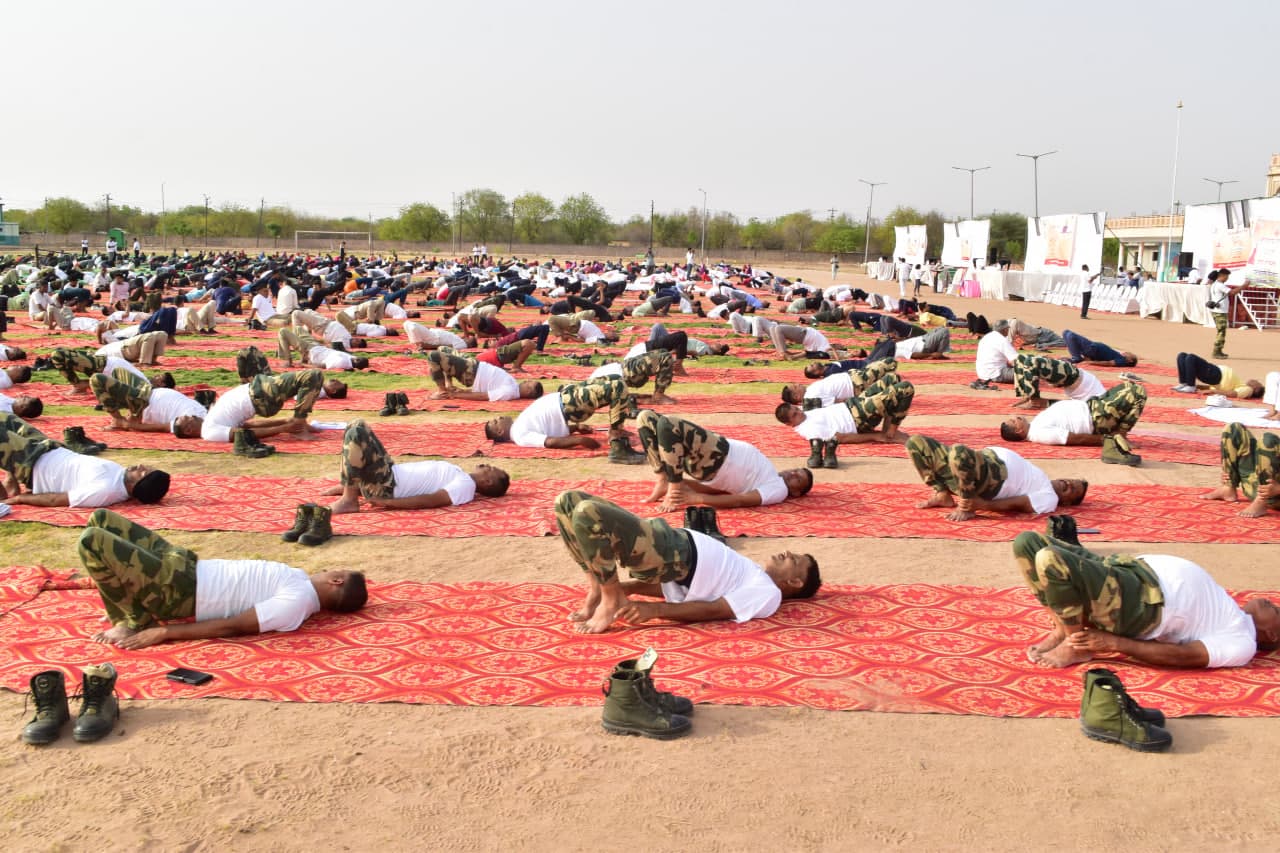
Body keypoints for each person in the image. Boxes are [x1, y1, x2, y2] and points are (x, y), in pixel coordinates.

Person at [76, 509, 366, 650]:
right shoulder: (299, 581)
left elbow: (234, 626)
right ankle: (127, 609)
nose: (328, 569)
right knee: (101, 520)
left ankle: (133, 621)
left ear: (336, 581)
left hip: (179, 590)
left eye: (333, 571)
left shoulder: (297, 604)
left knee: (93, 541)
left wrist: (165, 633)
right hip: (184, 566)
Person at [554, 489, 821, 634]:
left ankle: (609, 599)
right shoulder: (750, 572)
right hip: (671, 546)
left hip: (677, 552)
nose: (787, 553)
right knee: (567, 502)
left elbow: (716, 610)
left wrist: (655, 611)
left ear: (794, 581)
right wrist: (630, 587)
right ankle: (598, 589)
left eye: (794, 559)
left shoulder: (769, 594)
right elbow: (683, 588)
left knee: (586, 513)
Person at [1012, 529, 1278, 668]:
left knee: (1051, 560)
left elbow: (1184, 656)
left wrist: (1115, 643)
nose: (1270, 602)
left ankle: (1076, 644)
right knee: (1027, 542)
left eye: (1276, 611)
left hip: (1143, 604)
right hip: (1128, 572)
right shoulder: (1230, 608)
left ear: (1272, 635)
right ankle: (1063, 627)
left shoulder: (1241, 642)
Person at [636, 410, 814, 512]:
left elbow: (740, 500)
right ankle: (663, 481)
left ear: (797, 493)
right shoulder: (767, 476)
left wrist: (696, 498)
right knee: (646, 418)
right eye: (796, 470)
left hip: (718, 456)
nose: (792, 473)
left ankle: (671, 489)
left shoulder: (778, 490)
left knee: (667, 424)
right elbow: (720, 488)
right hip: (712, 455)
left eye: (797, 479)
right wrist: (684, 484)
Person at [324, 419, 509, 513]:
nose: (486, 464)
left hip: (387, 486)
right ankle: (353, 486)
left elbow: (430, 500)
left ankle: (349, 499)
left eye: (491, 469)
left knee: (356, 434)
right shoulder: (461, 475)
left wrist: (387, 503)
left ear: (488, 482)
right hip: (389, 474)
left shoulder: (466, 486)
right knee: (357, 426)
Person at [0, 413, 170, 507]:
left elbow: (56, 499)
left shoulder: (105, 491)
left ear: (138, 486)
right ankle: (10, 477)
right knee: (5, 417)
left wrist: (19, 499)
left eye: (143, 472)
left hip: (32, 463)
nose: (140, 465)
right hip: (48, 448)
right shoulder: (120, 477)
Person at [906, 434, 1087, 522]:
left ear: (1068, 503)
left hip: (991, 479)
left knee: (959, 453)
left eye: (1073, 489)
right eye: (1072, 481)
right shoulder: (1042, 477)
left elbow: (1020, 503)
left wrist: (980, 504)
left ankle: (965, 505)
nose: (1069, 484)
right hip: (976, 466)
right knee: (916, 442)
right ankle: (942, 493)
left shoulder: (1049, 498)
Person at [484, 376, 643, 463]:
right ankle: (617, 444)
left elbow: (551, 427)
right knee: (618, 388)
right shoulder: (519, 436)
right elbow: (550, 442)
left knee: (616, 379)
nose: (499, 417)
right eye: (496, 421)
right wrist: (580, 440)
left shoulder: (519, 424)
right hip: (569, 405)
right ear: (500, 431)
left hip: (566, 397)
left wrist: (575, 427)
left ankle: (618, 436)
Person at [775, 374, 915, 468]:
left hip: (853, 404)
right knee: (905, 388)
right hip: (859, 417)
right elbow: (841, 438)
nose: (799, 412)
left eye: (796, 409)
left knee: (892, 378)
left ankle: (888, 427)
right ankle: (891, 431)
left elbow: (806, 401)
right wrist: (876, 436)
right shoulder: (809, 430)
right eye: (795, 414)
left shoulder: (803, 412)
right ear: (790, 424)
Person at [1000, 381, 1147, 465]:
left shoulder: (1035, 424)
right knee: (1138, 392)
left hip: (1093, 406)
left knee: (1127, 386)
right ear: (1019, 431)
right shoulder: (1039, 434)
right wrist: (1109, 439)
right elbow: (1073, 438)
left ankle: (1118, 434)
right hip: (1096, 417)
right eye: (1014, 421)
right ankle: (1120, 437)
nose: (1016, 417)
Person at [200, 369, 325, 444]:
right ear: (187, 430)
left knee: (309, 380)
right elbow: (245, 434)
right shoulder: (209, 432)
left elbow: (248, 425)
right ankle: (299, 425)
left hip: (258, 391)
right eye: (185, 420)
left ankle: (299, 423)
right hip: (259, 394)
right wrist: (285, 428)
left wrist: (286, 422)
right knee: (312, 376)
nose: (188, 416)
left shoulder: (211, 421)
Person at [90, 367, 207, 438]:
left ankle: (117, 421)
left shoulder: (184, 425)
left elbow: (161, 427)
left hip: (143, 402)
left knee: (97, 379)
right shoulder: (203, 414)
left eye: (189, 419)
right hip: (148, 390)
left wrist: (128, 425)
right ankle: (122, 407)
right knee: (118, 372)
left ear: (189, 430)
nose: (189, 417)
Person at [1201, 422, 1279, 518]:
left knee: (1269, 440)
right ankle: (1228, 488)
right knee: (1234, 428)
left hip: (1273, 494)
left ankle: (1261, 500)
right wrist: (1230, 474)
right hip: (1255, 484)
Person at [781, 358, 899, 410]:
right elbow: (837, 402)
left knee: (889, 376)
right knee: (888, 363)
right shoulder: (810, 397)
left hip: (854, 378)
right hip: (855, 384)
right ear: (796, 396)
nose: (798, 384)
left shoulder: (810, 392)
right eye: (795, 387)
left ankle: (895, 386)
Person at [426, 348, 542, 400]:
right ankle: (448, 385)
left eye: (529, 383)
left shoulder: (510, 392)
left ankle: (443, 392)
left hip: (470, 372)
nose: (526, 381)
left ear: (528, 391)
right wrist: (463, 391)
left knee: (434, 356)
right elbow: (489, 383)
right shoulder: (513, 385)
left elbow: (484, 396)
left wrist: (454, 395)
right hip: (474, 365)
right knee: (443, 349)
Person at [1011, 353, 1105, 410]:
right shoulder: (1102, 403)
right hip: (1073, 375)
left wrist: (1044, 403)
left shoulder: (1087, 409)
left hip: (1072, 379)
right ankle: (1028, 395)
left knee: (1023, 360)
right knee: (1024, 360)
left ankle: (1029, 395)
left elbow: (1063, 404)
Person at [589, 351, 678, 405]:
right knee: (665, 358)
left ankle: (657, 394)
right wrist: (641, 400)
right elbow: (614, 397)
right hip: (628, 371)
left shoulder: (592, 380)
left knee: (662, 352)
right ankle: (659, 396)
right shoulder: (592, 386)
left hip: (627, 365)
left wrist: (638, 397)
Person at [1171, 352, 1264, 398]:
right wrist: (1201, 387)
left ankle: (1190, 386)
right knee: (1182, 356)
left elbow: (1232, 394)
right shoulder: (1241, 385)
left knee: (1191, 358)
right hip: (1214, 375)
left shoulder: (1248, 390)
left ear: (1256, 388)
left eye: (1258, 383)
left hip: (1217, 375)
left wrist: (1214, 392)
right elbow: (1217, 388)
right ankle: (1184, 383)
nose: (1256, 380)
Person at [276, 327, 369, 371]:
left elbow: (321, 366)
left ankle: (287, 360)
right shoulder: (350, 358)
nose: (356, 357)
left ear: (356, 361)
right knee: (298, 328)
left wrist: (303, 364)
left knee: (283, 332)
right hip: (317, 346)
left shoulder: (341, 362)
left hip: (309, 350)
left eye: (358, 358)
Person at [1207, 268, 1243, 358]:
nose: (1227, 278)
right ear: (1222, 275)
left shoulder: (1215, 284)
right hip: (1220, 312)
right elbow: (1233, 292)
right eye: (1226, 276)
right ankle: (1216, 352)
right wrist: (1244, 285)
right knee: (1221, 332)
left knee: (1221, 331)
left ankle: (1219, 351)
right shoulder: (1220, 285)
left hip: (1217, 311)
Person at [1062, 329, 1138, 368]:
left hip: (1093, 349)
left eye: (1131, 354)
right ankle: (1076, 357)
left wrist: (1091, 363)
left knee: (1070, 336)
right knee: (1066, 333)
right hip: (1092, 348)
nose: (1129, 352)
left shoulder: (1122, 360)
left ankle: (1076, 358)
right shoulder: (1120, 356)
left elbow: (1109, 363)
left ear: (1130, 360)